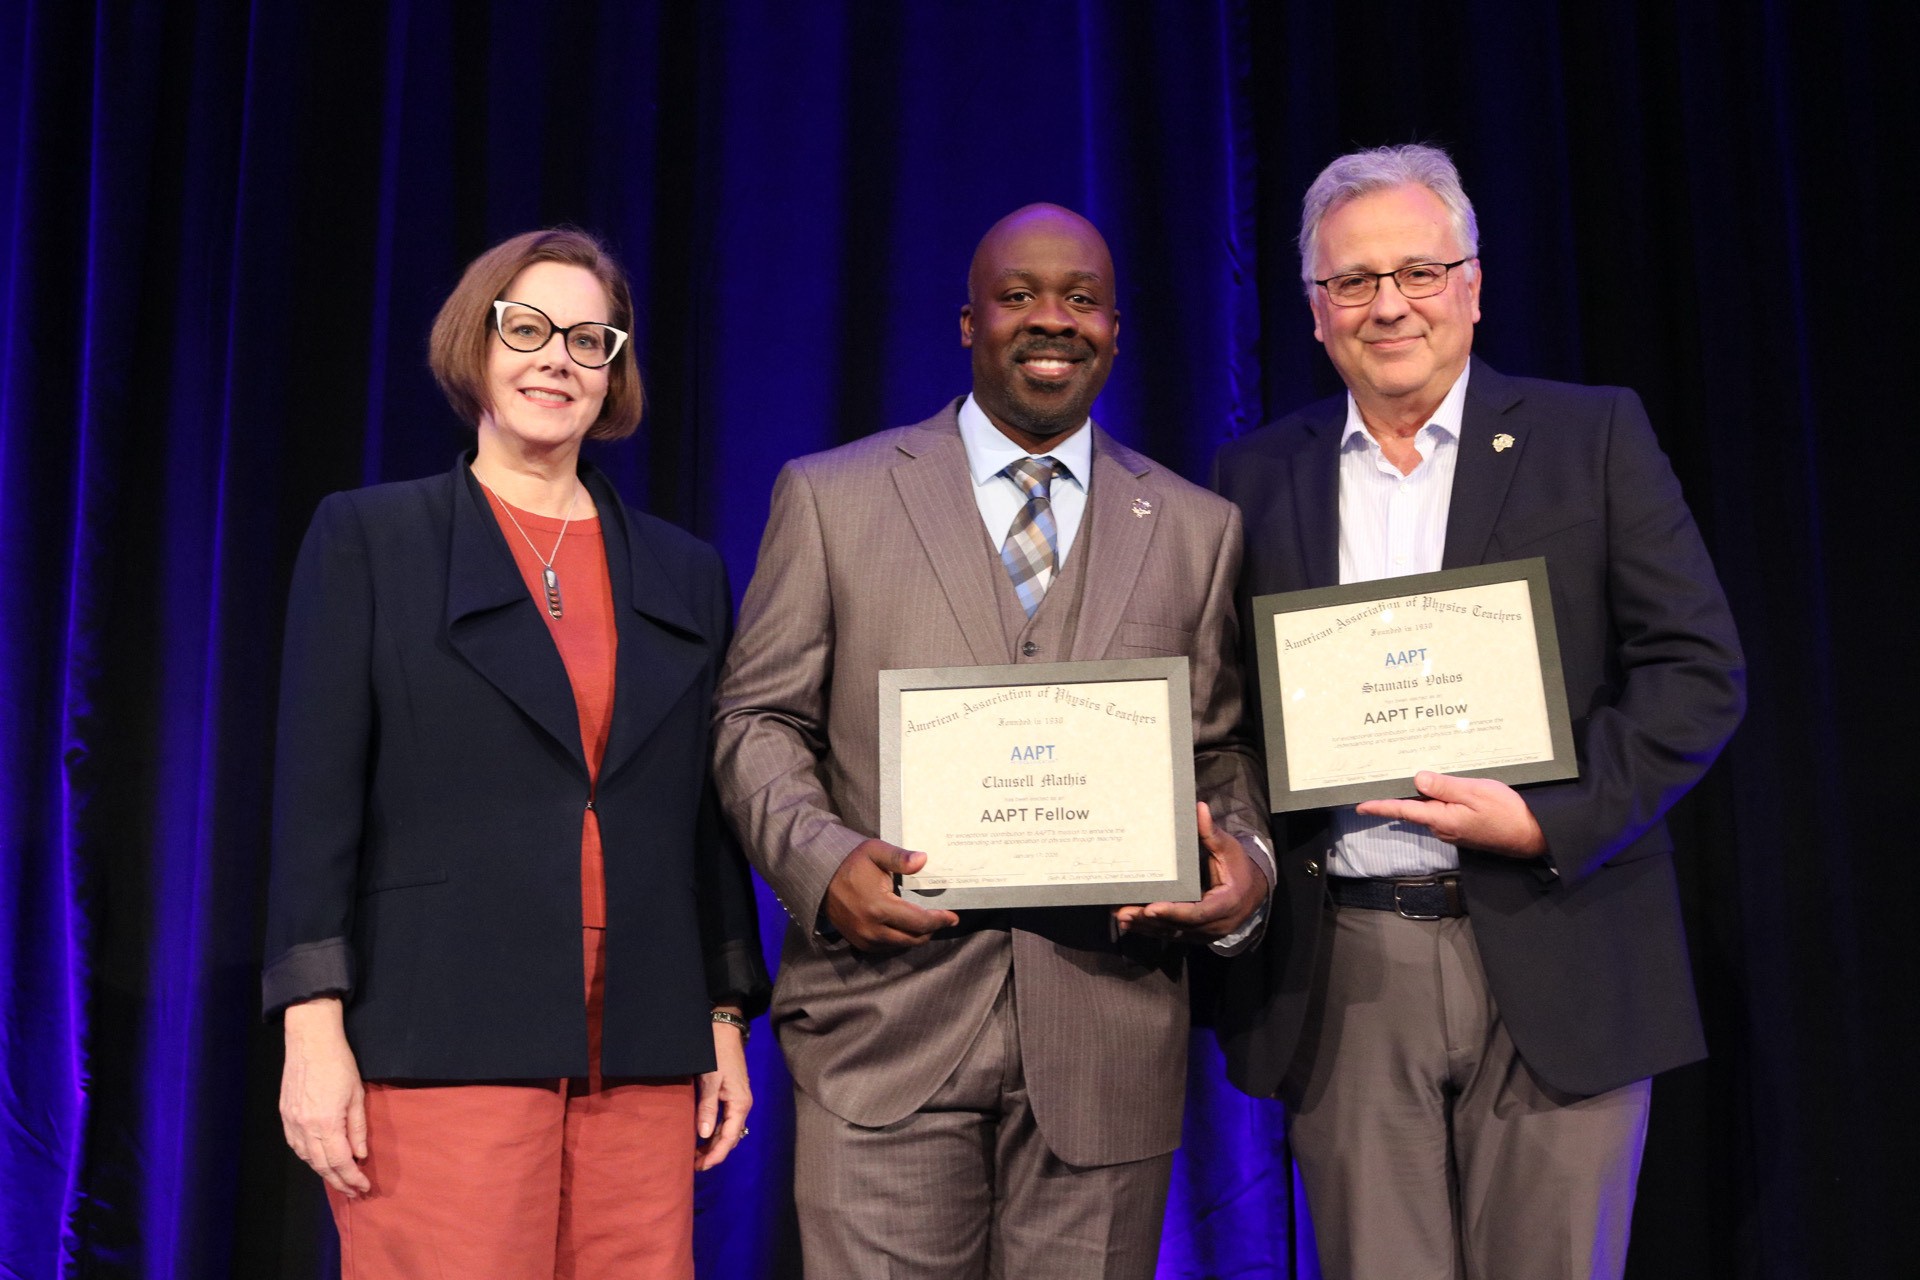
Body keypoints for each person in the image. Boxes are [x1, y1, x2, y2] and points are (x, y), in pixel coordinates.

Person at [1212, 144, 1746, 1279]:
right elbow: (1234, 717)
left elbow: (1697, 670)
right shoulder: (1254, 477)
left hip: (1562, 938)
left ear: (1473, 284)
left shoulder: (1590, 437)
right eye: (1353, 280)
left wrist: (1548, 816)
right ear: (1314, 309)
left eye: (1419, 270)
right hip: (1346, 964)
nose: (1389, 304)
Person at [712, 203, 1272, 1279]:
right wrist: (824, 865)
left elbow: (1219, 751)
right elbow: (757, 719)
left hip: (1106, 1042)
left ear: (1116, 330)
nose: (1051, 319)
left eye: (1080, 299)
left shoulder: (1195, 528)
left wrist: (1242, 863)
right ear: (969, 323)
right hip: (883, 1029)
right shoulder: (831, 497)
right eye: (1018, 296)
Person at [263, 228, 768, 1280]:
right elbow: (315, 809)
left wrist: (722, 1013)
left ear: (614, 370)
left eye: (589, 341)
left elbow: (703, 815)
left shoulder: (683, 571)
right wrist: (312, 1027)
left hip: (638, 1046)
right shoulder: (372, 540)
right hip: (442, 1035)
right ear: (477, 341)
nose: (558, 361)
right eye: (528, 330)